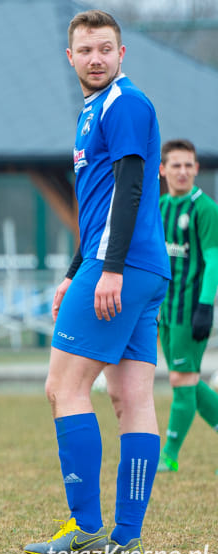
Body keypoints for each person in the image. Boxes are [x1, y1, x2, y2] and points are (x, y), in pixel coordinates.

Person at [23, 10, 170, 554]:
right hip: (141, 268)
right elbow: (99, 207)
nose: (96, 59)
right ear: (71, 57)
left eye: (106, 49)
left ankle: (84, 526)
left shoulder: (124, 103)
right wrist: (72, 272)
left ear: (122, 53)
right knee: (131, 398)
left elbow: (132, 187)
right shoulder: (92, 110)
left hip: (123, 266)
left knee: (63, 388)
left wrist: (106, 269)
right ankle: (125, 537)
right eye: (86, 51)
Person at [156, 139, 218, 473]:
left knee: (182, 379)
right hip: (164, 310)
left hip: (189, 311)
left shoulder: (204, 208)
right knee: (188, 379)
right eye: (176, 165)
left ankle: (169, 456)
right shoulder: (160, 206)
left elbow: (213, 258)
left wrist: (205, 307)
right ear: (162, 170)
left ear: (196, 169)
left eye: (188, 165)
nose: (183, 171)